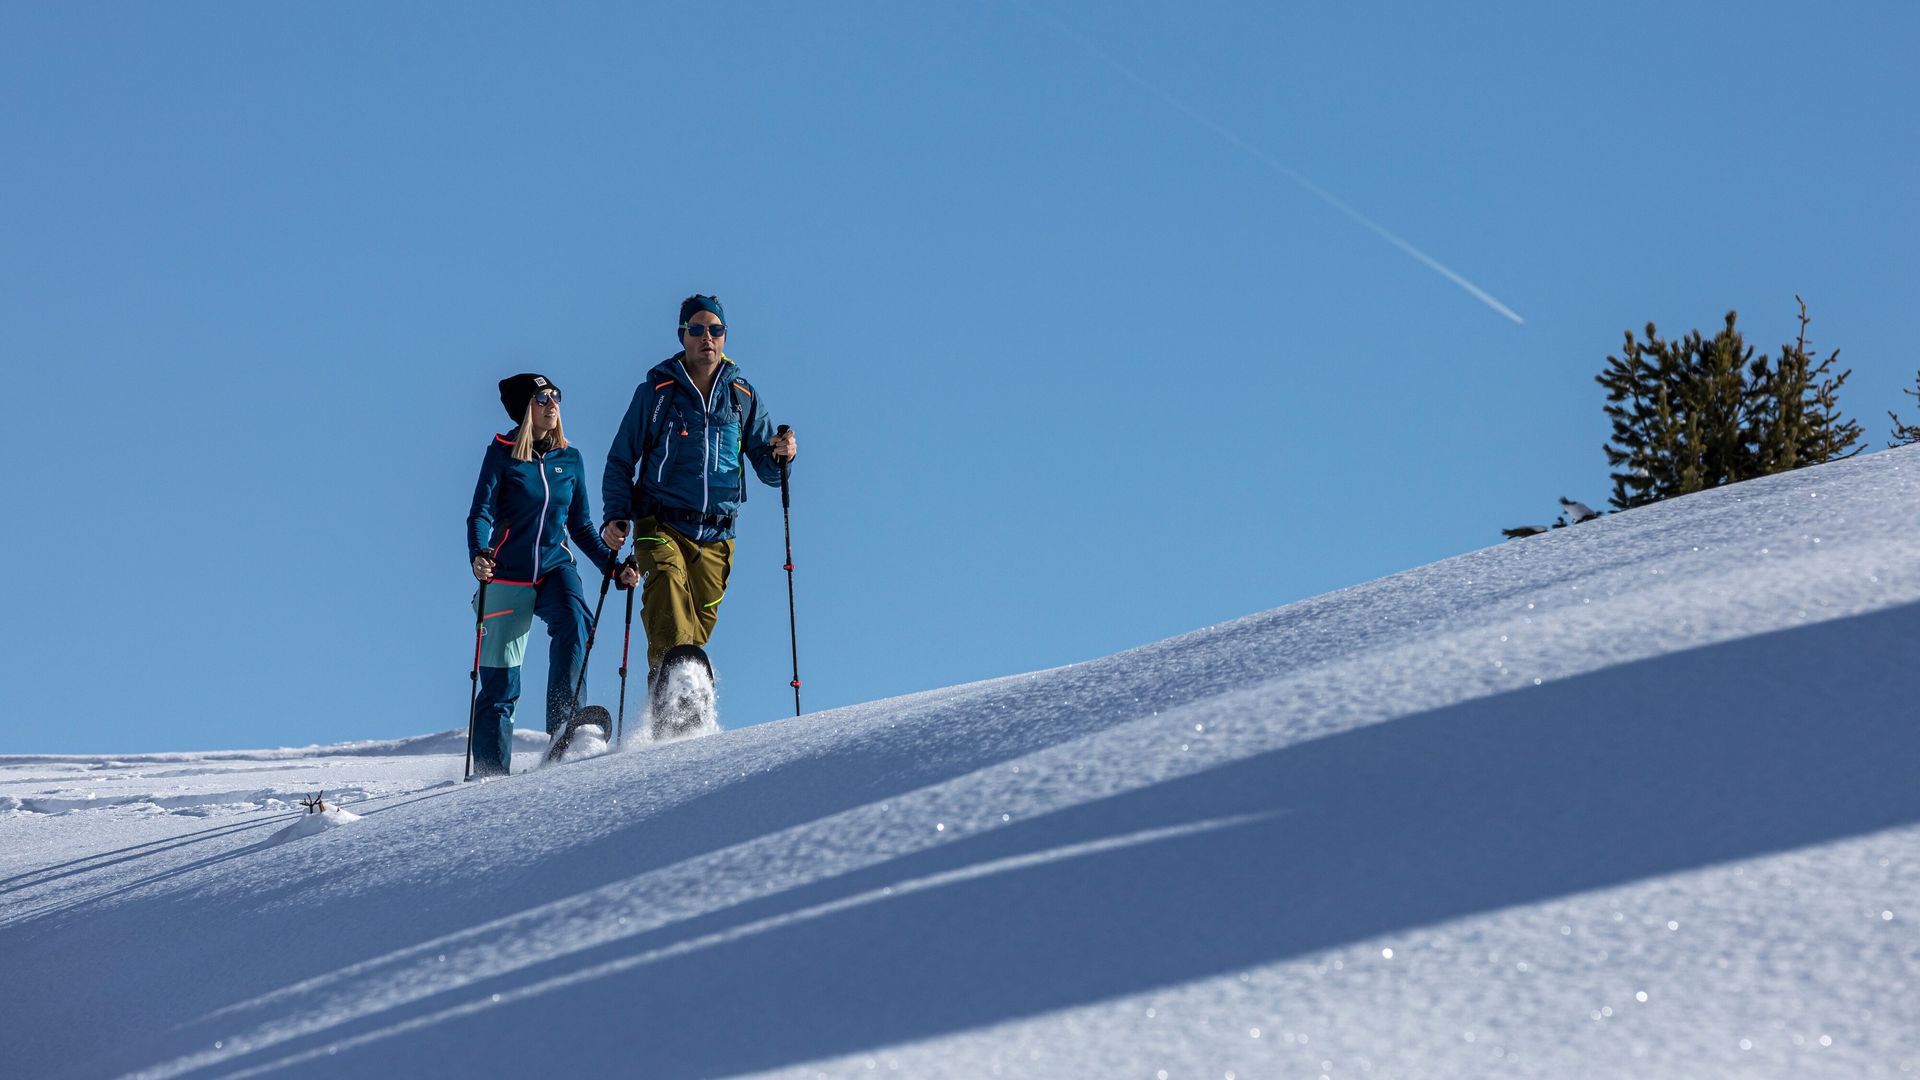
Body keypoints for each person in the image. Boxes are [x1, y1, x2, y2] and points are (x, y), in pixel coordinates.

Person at [601, 295, 796, 687]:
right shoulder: (658, 392)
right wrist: (617, 514)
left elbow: (767, 469)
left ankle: (670, 706)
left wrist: (782, 456)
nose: (707, 337)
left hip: (718, 537)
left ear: (725, 337)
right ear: (683, 335)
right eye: (697, 329)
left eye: (715, 329)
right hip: (661, 522)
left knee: (694, 633)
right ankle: (675, 690)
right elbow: (621, 458)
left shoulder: (742, 396)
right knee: (668, 594)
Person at [467, 373, 639, 776]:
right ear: (525, 408)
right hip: (506, 574)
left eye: (557, 396)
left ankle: (567, 723)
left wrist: (613, 569)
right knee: (500, 686)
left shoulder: (570, 459)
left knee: (576, 617)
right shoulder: (502, 453)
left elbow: (580, 527)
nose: (553, 405)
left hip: (554, 568)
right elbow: (482, 513)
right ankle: (491, 774)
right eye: (543, 398)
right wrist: (479, 554)